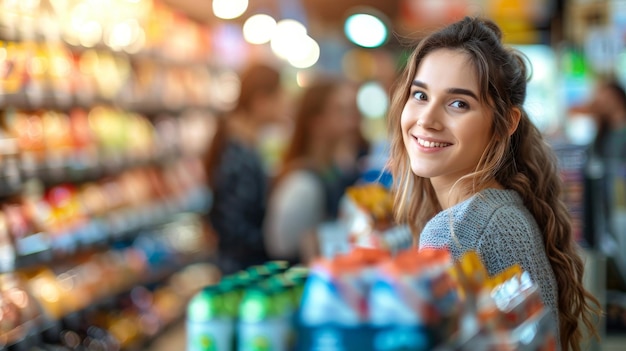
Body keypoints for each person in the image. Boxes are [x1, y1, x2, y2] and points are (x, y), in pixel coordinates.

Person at [386, 17, 600, 350]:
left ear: (505, 123)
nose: (427, 119)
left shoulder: (457, 232)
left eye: (459, 103)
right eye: (420, 95)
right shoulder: (501, 212)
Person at [264, 77, 361, 263]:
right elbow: (282, 249)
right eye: (340, 111)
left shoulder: (335, 169)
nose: (351, 120)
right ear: (316, 122)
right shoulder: (303, 183)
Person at [204, 63, 287, 275]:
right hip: (242, 271)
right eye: (280, 98)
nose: (286, 105)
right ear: (261, 101)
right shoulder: (237, 153)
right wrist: (275, 245)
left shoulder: (243, 143)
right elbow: (233, 226)